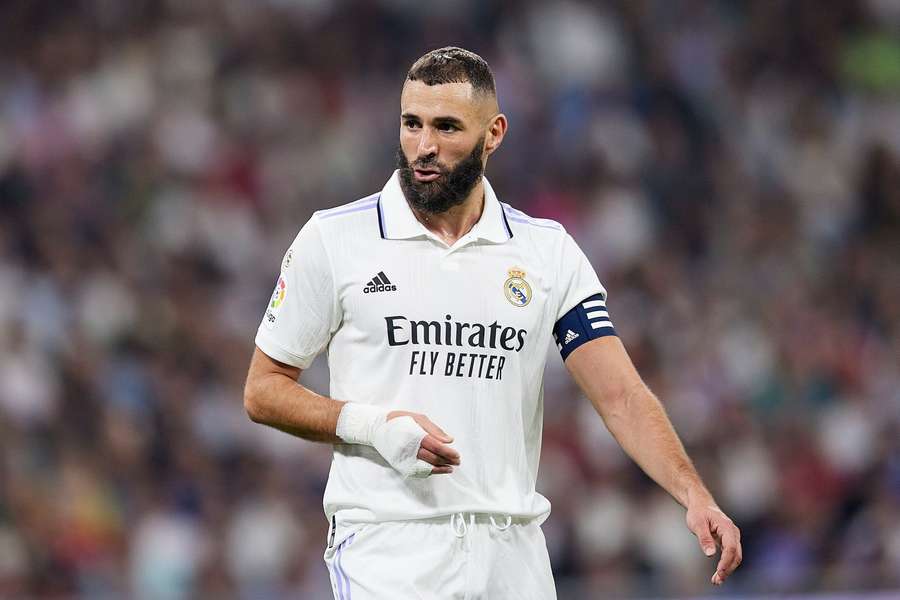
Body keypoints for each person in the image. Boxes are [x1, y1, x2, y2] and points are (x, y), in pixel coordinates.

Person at [243, 46, 741, 599]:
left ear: (494, 133)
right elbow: (263, 391)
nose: (424, 146)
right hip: (390, 549)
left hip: (513, 554)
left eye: (447, 127)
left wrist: (693, 493)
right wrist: (372, 425)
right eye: (412, 124)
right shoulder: (334, 240)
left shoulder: (545, 251)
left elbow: (621, 395)